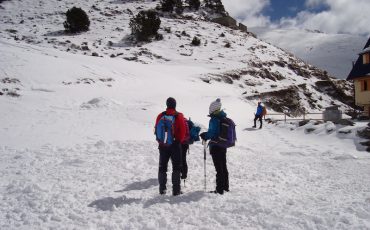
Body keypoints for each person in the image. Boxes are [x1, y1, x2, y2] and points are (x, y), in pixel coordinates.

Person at [155, 97, 186, 196]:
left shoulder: (161, 115)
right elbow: (183, 132)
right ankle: (176, 190)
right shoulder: (179, 116)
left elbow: (156, 130)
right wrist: (178, 141)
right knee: (176, 167)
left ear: (167, 104)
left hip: (163, 145)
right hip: (175, 145)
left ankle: (162, 189)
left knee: (162, 166)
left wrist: (161, 141)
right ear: (175, 105)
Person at [199, 98, 229, 195]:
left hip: (216, 146)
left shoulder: (214, 119)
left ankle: (219, 189)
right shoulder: (223, 117)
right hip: (223, 145)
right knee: (223, 166)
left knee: (219, 168)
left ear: (212, 109)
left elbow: (212, 133)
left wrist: (205, 135)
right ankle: (225, 187)